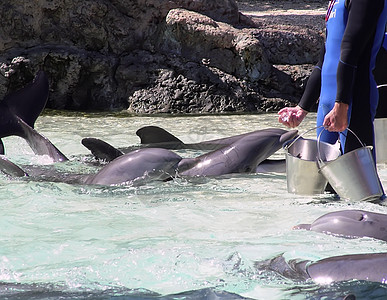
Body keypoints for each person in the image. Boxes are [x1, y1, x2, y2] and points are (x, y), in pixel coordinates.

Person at [278, 0, 387, 158]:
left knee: (358, 179)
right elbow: (324, 61)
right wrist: (302, 108)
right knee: (323, 180)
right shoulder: (335, 2)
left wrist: (341, 105)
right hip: (328, 104)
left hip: (353, 101)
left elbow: (350, 52)